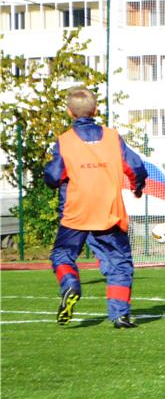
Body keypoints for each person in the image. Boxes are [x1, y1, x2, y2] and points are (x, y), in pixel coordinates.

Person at [44, 86, 147, 328]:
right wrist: (137, 186)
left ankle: (70, 284)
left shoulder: (65, 141)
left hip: (76, 211)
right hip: (108, 211)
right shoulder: (112, 137)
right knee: (119, 262)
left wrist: (52, 175)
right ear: (96, 110)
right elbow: (135, 166)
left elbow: (54, 176)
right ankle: (120, 315)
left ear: (70, 112)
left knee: (62, 255)